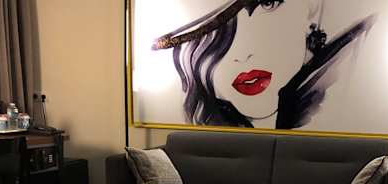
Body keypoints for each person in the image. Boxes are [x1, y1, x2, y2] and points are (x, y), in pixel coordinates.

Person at [153, 0, 375, 129]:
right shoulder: (208, 127)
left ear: (311, 5)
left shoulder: (347, 82)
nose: (242, 54)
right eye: (209, 30)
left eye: (268, 3)